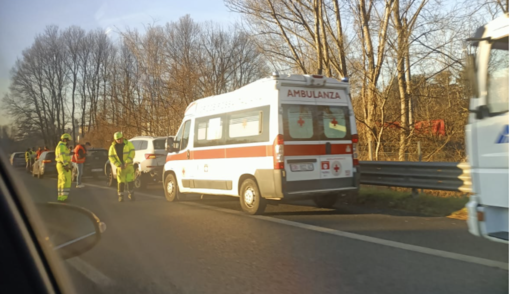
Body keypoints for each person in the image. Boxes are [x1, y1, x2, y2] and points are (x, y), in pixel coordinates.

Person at [108, 132, 136, 202]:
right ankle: (121, 196)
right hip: (120, 168)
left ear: (123, 138)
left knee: (130, 181)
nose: (120, 140)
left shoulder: (128, 144)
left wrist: (127, 162)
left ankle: (131, 194)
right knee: (121, 182)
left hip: (128, 166)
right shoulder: (112, 147)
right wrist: (118, 164)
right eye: (118, 139)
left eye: (120, 139)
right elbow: (111, 157)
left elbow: (132, 153)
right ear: (115, 140)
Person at [55, 133, 73, 202]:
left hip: (60, 165)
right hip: (63, 165)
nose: (69, 142)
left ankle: (60, 196)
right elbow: (62, 156)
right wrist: (66, 165)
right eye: (68, 141)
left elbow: (65, 155)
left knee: (61, 181)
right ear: (65, 139)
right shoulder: (62, 146)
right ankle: (63, 197)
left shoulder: (60, 146)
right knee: (65, 181)